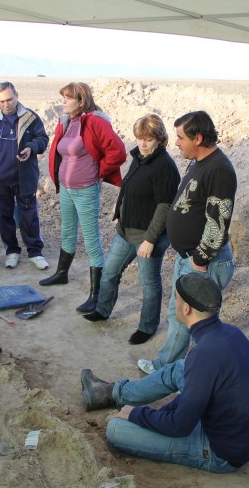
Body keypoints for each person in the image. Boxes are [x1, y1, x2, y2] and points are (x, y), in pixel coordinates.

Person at [80, 273, 249, 473]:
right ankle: (110, 393)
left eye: (176, 299)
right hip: (240, 435)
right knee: (181, 367)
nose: (173, 303)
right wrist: (161, 414)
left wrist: (136, 413)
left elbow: (180, 426)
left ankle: (121, 402)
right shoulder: (230, 332)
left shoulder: (205, 354)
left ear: (186, 309)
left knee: (115, 429)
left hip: (222, 452)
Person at [137, 111, 236, 374]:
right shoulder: (198, 161)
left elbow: (218, 223)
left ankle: (193, 376)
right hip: (190, 259)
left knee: (196, 324)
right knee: (178, 316)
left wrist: (199, 262)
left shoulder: (219, 170)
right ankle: (168, 367)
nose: (177, 142)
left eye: (181, 137)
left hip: (204, 262)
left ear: (199, 138)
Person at [82, 114, 180, 345]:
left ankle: (147, 327)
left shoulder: (164, 166)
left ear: (160, 139)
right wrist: (118, 214)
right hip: (126, 231)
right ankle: (102, 310)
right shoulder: (139, 157)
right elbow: (127, 188)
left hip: (147, 236)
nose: (142, 144)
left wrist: (150, 239)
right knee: (109, 273)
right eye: (139, 138)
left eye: (148, 139)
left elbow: (164, 207)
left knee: (149, 284)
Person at [39, 82, 126, 315]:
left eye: (68, 98)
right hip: (66, 188)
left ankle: (96, 295)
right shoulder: (67, 122)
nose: (63, 102)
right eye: (63, 98)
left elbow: (118, 151)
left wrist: (99, 171)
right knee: (67, 231)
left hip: (86, 189)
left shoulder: (95, 122)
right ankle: (61, 274)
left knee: (91, 240)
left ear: (81, 101)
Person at [0, 81, 50, 270]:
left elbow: (42, 139)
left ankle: (35, 252)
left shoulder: (30, 117)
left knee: (29, 215)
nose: (6, 104)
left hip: (24, 178)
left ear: (16, 95)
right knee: (4, 216)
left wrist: (30, 148)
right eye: (2, 101)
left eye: (9, 99)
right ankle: (12, 251)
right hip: (0, 179)